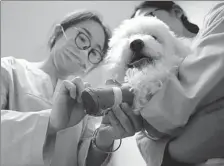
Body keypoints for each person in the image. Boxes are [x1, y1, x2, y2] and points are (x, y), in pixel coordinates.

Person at [1, 10, 142, 166]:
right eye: (82, 38)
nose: (84, 52)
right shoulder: (9, 70)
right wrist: (50, 123)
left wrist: (103, 140)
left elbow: (87, 161)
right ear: (57, 33)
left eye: (94, 52)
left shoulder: (84, 100)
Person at [128, 1, 224, 166]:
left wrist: (172, 149)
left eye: (150, 17)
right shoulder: (148, 80)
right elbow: (152, 152)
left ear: (177, 12)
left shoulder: (218, 16)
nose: (140, 38)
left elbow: (156, 145)